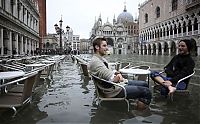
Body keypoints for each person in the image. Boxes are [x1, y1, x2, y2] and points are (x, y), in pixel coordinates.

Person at [89, 37, 152, 110]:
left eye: (106, 45)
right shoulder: (96, 62)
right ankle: (139, 113)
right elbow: (114, 79)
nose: (107, 48)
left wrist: (115, 72)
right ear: (97, 47)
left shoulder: (100, 59)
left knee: (144, 84)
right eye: (104, 46)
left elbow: (107, 72)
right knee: (146, 92)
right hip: (113, 90)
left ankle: (138, 100)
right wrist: (119, 76)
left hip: (113, 86)